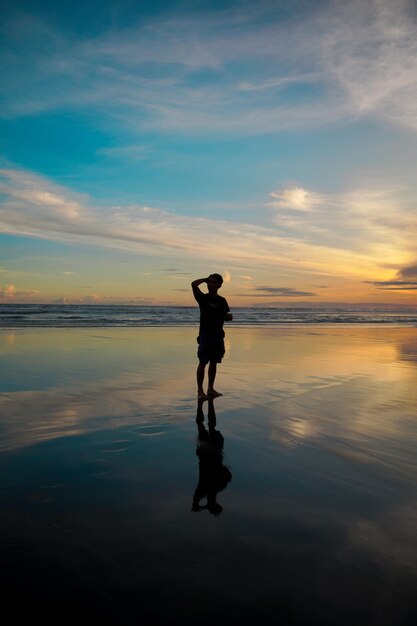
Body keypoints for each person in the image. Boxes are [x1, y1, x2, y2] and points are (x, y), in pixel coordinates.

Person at [191, 273, 233, 400]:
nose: (210, 284)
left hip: (218, 336)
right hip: (205, 335)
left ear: (219, 285)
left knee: (214, 362)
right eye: (210, 282)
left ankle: (210, 389)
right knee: (203, 362)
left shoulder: (222, 300)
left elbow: (224, 316)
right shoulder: (203, 298)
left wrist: (228, 318)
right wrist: (205, 279)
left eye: (214, 282)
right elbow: (193, 284)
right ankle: (200, 391)